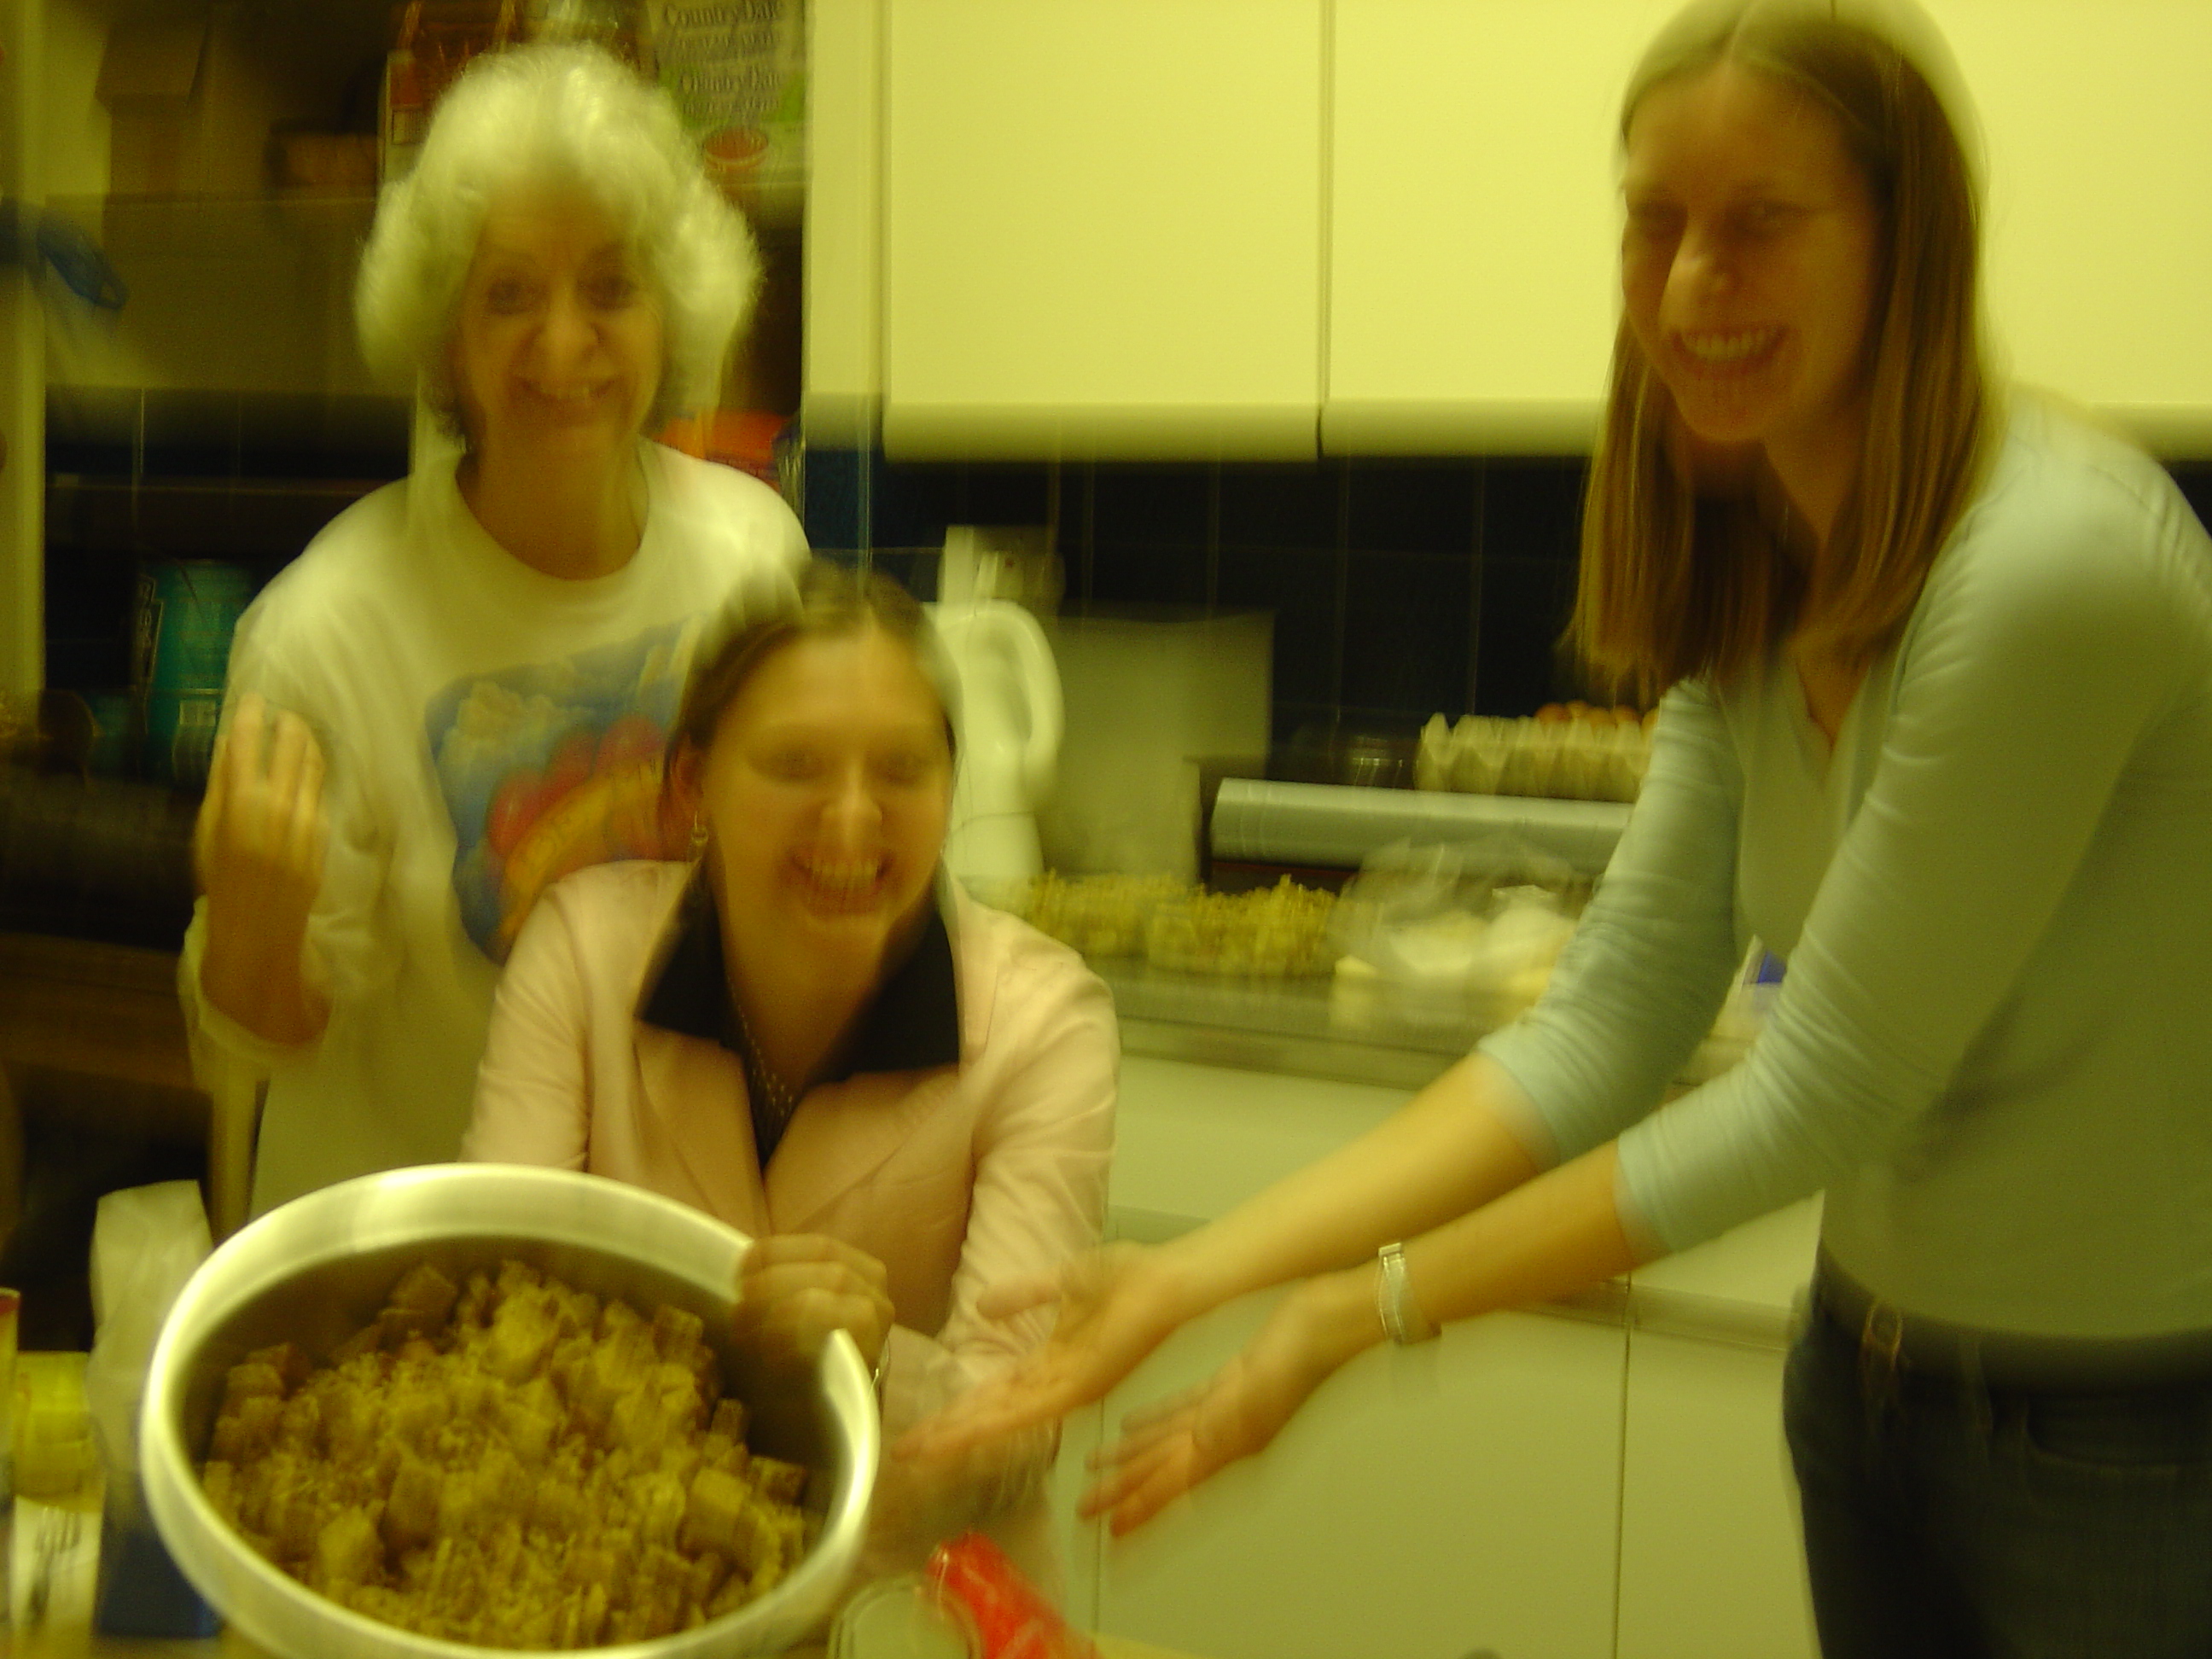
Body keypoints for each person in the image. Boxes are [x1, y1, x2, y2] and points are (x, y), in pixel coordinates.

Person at [908, 3, 2212, 1652]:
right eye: (1653, 222)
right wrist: (1188, 1273)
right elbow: (1607, 1020)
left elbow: (1819, 1095)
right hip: (1869, 1379)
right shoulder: (1769, 557)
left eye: (1759, 221)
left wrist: (1353, 1309)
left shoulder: (2044, 571)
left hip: (2120, 1431)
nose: (1690, 284)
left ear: (1908, 241)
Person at [183, 43, 805, 1213]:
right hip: (408, 1267)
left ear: (671, 315)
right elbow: (258, 1043)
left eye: (610, 289)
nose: (562, 346)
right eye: (509, 294)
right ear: (448, 337)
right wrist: (254, 933)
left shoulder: (756, 565)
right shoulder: (328, 631)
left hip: (658, 1243)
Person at [463, 562, 1119, 1592]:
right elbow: (496, 1309)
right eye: (795, 765)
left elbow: (1020, 1428)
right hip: (621, 1586)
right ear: (695, 785)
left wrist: (876, 1366)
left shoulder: (1043, 1024)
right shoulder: (583, 953)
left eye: (902, 769)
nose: (852, 818)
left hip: (915, 1603)